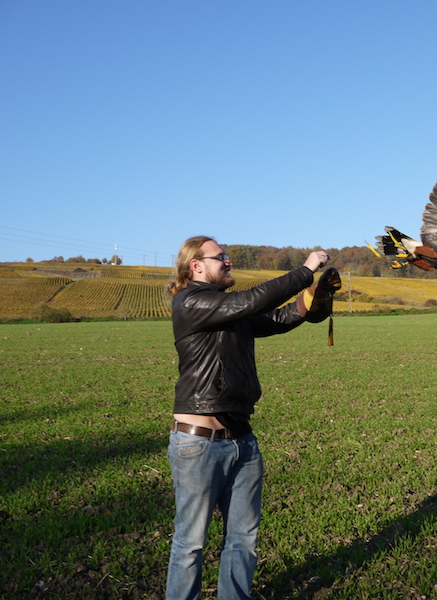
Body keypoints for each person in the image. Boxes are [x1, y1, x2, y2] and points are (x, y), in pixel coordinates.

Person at [165, 236, 340, 600]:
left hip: (242, 440)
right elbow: (252, 300)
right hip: (198, 443)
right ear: (196, 265)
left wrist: (307, 305)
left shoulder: (230, 311)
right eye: (220, 257)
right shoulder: (191, 302)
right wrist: (305, 272)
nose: (228, 261)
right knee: (191, 543)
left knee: (243, 540)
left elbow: (275, 317)